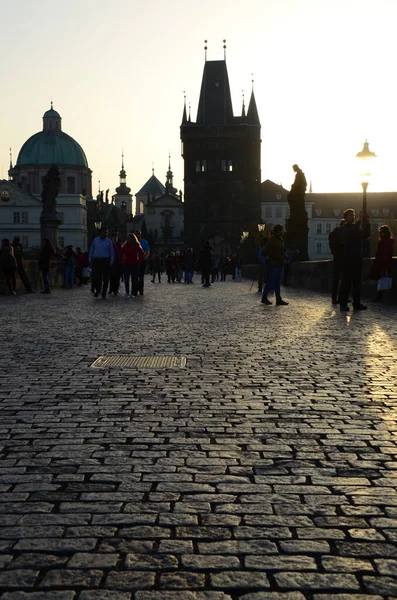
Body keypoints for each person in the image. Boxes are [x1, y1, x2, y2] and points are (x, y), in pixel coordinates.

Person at [338, 208, 370, 311]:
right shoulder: (344, 228)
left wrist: (366, 222)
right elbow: (351, 232)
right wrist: (360, 220)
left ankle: (356, 303)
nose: (353, 216)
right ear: (346, 218)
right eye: (351, 215)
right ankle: (343, 303)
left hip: (356, 257)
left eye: (354, 215)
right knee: (346, 282)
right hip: (347, 258)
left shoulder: (355, 227)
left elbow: (365, 234)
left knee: (357, 282)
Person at [261, 225, 288, 306]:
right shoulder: (272, 240)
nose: (282, 232)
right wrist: (275, 255)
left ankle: (278, 299)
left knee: (277, 282)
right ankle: (264, 297)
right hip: (274, 263)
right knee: (270, 281)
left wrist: (283, 255)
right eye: (281, 230)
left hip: (280, 263)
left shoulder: (280, 239)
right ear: (277, 231)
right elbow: (265, 251)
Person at [369, 225, 394, 302]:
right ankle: (379, 296)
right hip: (386, 263)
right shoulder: (389, 241)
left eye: (381, 232)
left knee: (381, 280)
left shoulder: (383, 242)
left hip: (382, 264)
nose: (380, 233)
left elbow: (381, 254)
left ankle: (379, 297)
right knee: (382, 280)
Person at [88, 226, 115, 299]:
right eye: (104, 232)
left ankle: (104, 293)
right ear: (100, 232)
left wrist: (112, 260)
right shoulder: (95, 240)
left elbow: (111, 252)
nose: (105, 234)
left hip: (105, 261)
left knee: (106, 278)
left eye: (106, 232)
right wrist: (90, 259)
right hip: (97, 260)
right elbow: (92, 250)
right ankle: (98, 290)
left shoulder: (109, 241)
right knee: (97, 278)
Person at [120, 233, 144, 298]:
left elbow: (142, 253)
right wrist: (122, 260)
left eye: (128, 238)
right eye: (127, 238)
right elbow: (121, 253)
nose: (127, 239)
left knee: (134, 279)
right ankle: (127, 292)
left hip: (134, 264)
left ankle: (133, 292)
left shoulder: (136, 245)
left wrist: (139, 261)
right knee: (126, 279)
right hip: (126, 264)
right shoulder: (125, 245)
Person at [328, 220, 345, 305]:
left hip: (340, 256)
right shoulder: (337, 232)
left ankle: (338, 297)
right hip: (340, 257)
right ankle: (336, 297)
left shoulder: (334, 232)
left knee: (338, 278)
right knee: (338, 278)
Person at [135, 229, 150, 295]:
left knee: (141, 276)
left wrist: (145, 257)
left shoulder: (144, 241)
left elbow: (147, 250)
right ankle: (135, 288)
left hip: (142, 260)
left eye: (138, 233)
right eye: (136, 233)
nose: (137, 235)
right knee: (135, 275)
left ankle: (141, 289)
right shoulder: (133, 242)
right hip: (134, 260)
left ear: (140, 234)